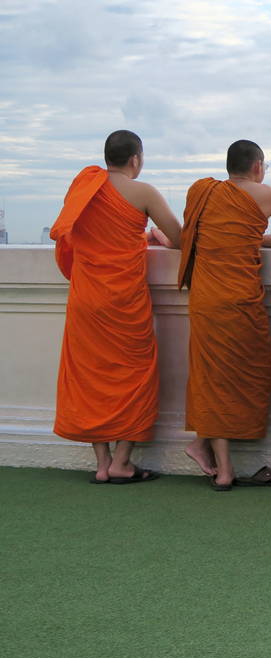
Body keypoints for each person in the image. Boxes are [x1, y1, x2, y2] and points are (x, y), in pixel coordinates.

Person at [51, 130, 182, 484]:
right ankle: (123, 462)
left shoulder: (85, 187)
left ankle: (102, 463)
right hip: (124, 300)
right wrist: (152, 235)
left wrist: (139, 236)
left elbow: (90, 237)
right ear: (136, 159)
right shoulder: (144, 192)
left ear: (107, 156)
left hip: (86, 298)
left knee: (89, 377)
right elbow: (181, 238)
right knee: (134, 375)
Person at [178, 140, 271, 490]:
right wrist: (256, 239)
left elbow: (190, 238)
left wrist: (250, 238)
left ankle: (213, 455)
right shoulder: (265, 195)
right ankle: (221, 464)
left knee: (212, 377)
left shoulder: (202, 192)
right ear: (258, 166)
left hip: (206, 298)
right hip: (240, 299)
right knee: (237, 375)